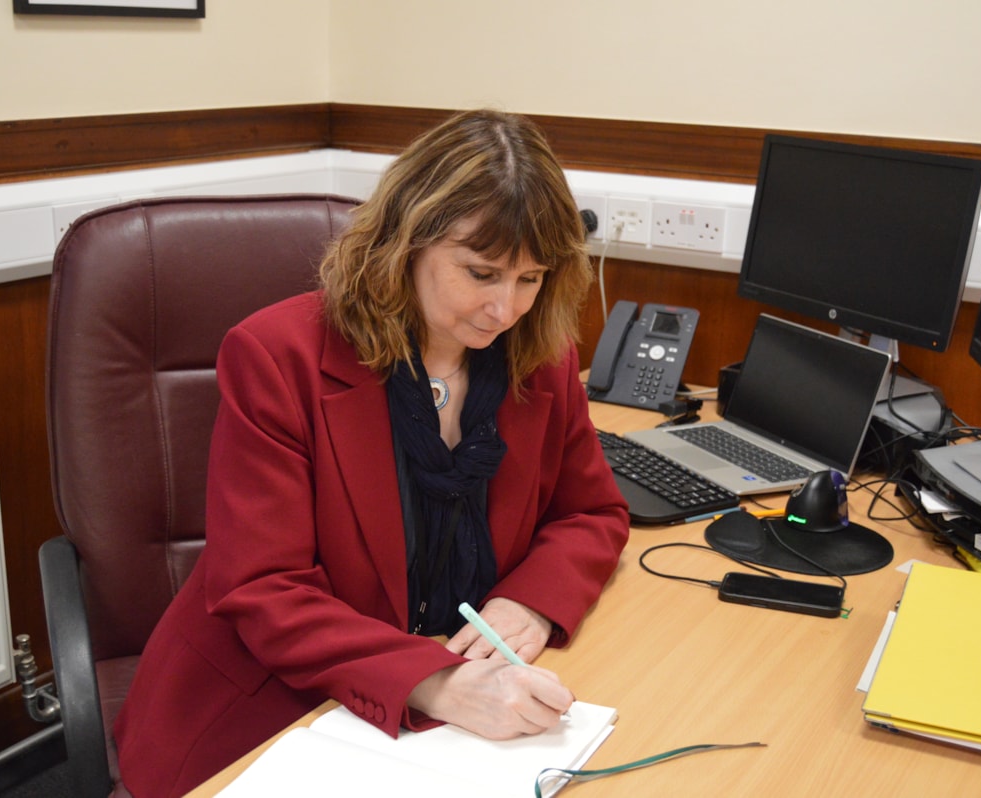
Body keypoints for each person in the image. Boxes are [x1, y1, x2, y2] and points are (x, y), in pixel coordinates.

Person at [113, 108, 630, 796]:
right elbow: (263, 589)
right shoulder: (278, 357)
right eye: (481, 274)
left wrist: (531, 604)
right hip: (282, 706)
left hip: (465, 712)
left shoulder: (541, 357)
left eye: (531, 280)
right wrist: (437, 683)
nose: (505, 310)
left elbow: (592, 512)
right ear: (407, 242)